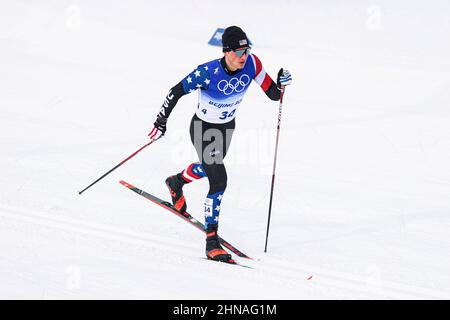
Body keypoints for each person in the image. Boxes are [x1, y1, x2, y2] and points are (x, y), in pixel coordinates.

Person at [148, 26, 292, 262]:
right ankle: (211, 241)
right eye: (238, 52)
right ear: (226, 52)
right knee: (219, 180)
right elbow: (174, 92)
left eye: (246, 50)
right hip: (202, 129)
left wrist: (282, 83)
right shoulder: (207, 72)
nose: (243, 56)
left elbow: (274, 94)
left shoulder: (252, 64)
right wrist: (161, 121)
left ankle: (176, 181)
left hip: (226, 128)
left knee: (209, 168)